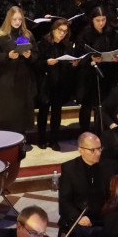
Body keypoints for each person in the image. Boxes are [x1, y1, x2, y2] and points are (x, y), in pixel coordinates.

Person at [0, 7, 37, 140]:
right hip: (7, 78)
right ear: (9, 19)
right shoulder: (0, 35)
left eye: (19, 19)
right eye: (14, 19)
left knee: (21, 112)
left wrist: (29, 56)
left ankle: (21, 140)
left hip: (23, 78)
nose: (17, 22)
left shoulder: (27, 34)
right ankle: (4, 140)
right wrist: (7, 56)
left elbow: (37, 54)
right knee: (7, 111)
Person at [36, 19, 79, 150]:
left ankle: (54, 140)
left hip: (60, 83)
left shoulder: (66, 46)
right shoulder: (43, 44)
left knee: (57, 113)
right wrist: (46, 63)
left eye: (65, 31)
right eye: (60, 30)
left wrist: (74, 65)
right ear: (53, 30)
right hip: (46, 82)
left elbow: (69, 66)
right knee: (43, 112)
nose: (62, 34)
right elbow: (36, 63)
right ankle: (42, 139)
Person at [75, 6, 118, 134]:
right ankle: (84, 132)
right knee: (87, 105)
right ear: (92, 20)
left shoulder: (111, 32)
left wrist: (116, 58)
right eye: (98, 20)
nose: (101, 23)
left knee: (103, 105)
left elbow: (116, 48)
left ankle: (101, 132)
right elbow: (78, 53)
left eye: (103, 20)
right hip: (89, 74)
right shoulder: (85, 33)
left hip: (106, 73)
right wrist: (90, 59)